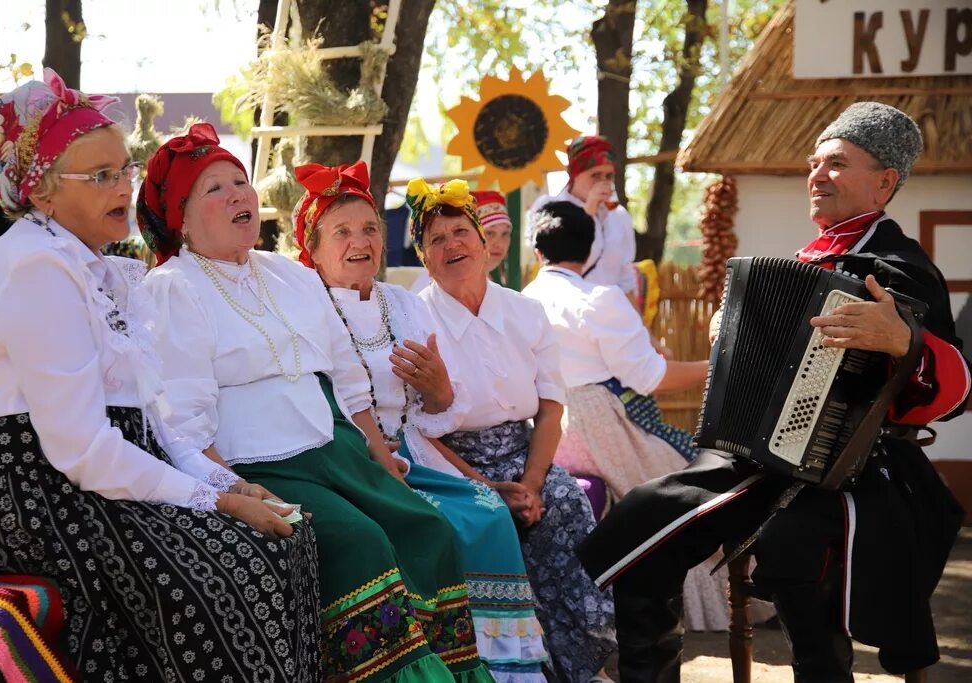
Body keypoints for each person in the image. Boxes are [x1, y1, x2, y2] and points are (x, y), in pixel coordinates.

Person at [577, 102, 971, 683]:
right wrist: (728, 333)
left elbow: (958, 386)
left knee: (798, 550)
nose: (816, 176)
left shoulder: (900, 267)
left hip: (856, 464)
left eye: (836, 163)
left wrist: (905, 341)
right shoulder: (804, 261)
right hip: (757, 459)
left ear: (884, 182)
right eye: (814, 164)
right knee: (644, 523)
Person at [0, 71, 323, 681]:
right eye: (101, 177)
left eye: (124, 169)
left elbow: (153, 423)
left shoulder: (97, 269)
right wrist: (216, 501)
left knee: (290, 534)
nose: (123, 186)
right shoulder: (36, 269)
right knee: (228, 574)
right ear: (41, 191)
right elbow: (82, 450)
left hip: (88, 478)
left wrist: (224, 481)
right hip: (31, 492)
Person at [138, 125, 492, 683]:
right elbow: (181, 421)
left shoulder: (288, 275)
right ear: (180, 217)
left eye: (240, 181)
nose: (238, 195)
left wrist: (384, 468)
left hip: (339, 451)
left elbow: (349, 387)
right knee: (361, 542)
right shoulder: (171, 287)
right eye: (214, 189)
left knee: (429, 527)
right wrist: (234, 492)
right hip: (261, 466)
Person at [298, 161, 549, 681]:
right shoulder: (304, 308)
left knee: (487, 511)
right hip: (350, 456)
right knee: (440, 523)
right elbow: (328, 406)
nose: (359, 241)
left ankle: (502, 668)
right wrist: (379, 454)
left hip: (415, 449)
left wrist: (439, 393)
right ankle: (434, 661)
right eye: (341, 232)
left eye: (369, 228)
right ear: (313, 249)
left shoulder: (403, 303)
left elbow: (437, 415)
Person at [407, 178, 617, 683]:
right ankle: (515, 670)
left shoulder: (526, 311)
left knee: (565, 506)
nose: (451, 245)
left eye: (460, 232)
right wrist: (486, 487)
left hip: (526, 455)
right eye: (436, 239)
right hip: (449, 463)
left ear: (483, 243)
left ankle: (577, 667)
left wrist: (534, 483)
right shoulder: (414, 318)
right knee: (488, 520)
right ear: (423, 257)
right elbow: (417, 427)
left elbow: (549, 408)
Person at [521, 200, 730, 632]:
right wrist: (720, 366)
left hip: (540, 431)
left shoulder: (520, 301)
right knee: (692, 482)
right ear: (591, 251)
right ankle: (705, 609)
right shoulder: (599, 298)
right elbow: (651, 377)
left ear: (537, 251)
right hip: (594, 422)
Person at [527, 135, 636, 295]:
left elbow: (626, 281)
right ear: (575, 174)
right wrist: (588, 212)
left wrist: (636, 319)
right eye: (595, 175)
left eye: (608, 176)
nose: (603, 182)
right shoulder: (548, 208)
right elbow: (554, 264)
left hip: (606, 313)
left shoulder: (619, 217)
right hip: (563, 310)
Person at [409, 190, 513, 293]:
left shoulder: (493, 287)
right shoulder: (427, 286)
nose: (499, 243)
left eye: (505, 234)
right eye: (489, 233)